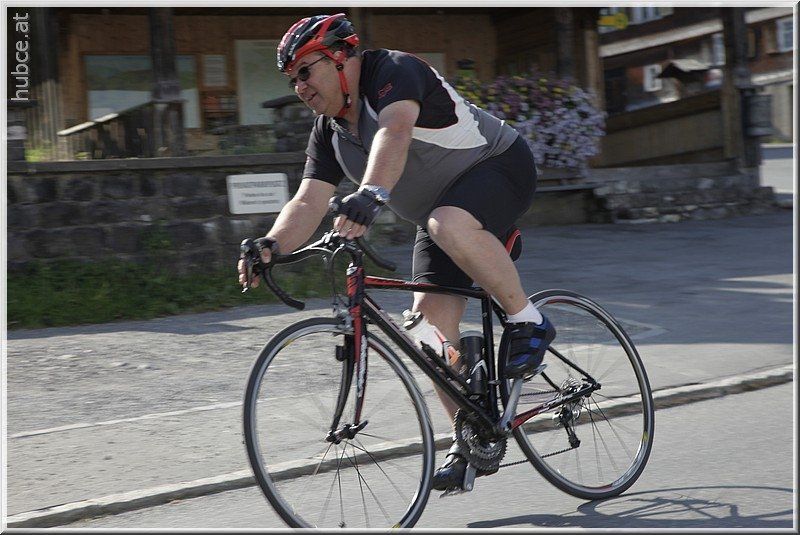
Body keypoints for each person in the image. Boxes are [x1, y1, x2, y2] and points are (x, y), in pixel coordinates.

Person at [237, 13, 556, 492]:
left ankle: (528, 319)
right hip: (440, 214)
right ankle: (472, 437)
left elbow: (395, 130)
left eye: (305, 71)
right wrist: (270, 245)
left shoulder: (392, 71)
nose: (299, 86)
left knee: (448, 223)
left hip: (499, 166)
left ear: (340, 57)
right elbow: (307, 201)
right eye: (292, 79)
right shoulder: (328, 132)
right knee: (427, 330)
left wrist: (370, 194)